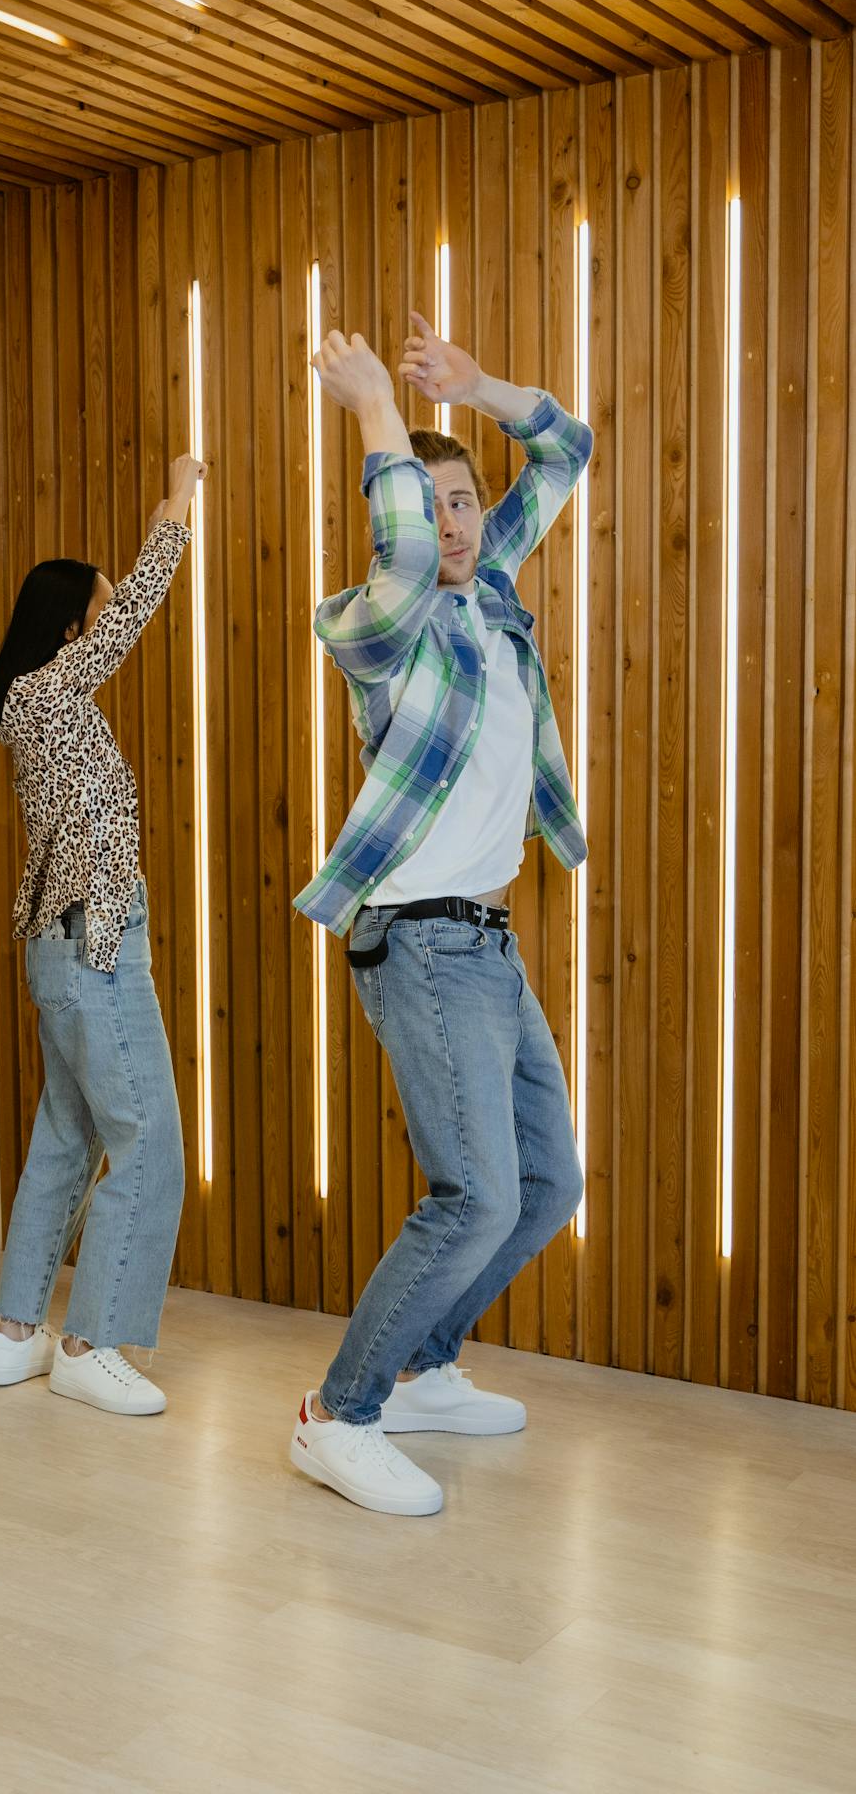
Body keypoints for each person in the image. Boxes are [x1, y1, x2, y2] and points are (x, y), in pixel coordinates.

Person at [288, 314, 592, 1514]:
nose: (456, 521)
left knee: (549, 1181)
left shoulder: (492, 592)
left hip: (489, 937)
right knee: (475, 1191)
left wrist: (482, 388)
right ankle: (338, 1409)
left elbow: (565, 451)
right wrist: (375, 415)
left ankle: (419, 1367)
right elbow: (407, 560)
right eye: (435, 501)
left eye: (467, 500)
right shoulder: (382, 623)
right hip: (417, 937)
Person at [0, 453, 207, 1416]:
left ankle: (14, 1335)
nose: (110, 626)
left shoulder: (36, 710)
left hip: (64, 945)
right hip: (94, 945)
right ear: (72, 629)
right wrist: (176, 512)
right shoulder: (47, 696)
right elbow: (138, 608)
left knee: (67, 1139)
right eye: (98, 614)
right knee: (147, 1141)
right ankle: (91, 1341)